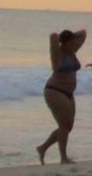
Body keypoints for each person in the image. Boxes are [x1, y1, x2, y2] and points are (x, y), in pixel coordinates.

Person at [37, 28, 86, 165]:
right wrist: (62, 38)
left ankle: (43, 148)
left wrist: (71, 36)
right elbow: (52, 35)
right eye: (70, 42)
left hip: (69, 93)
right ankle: (63, 158)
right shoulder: (56, 54)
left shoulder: (72, 51)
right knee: (64, 125)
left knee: (68, 127)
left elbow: (83, 33)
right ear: (63, 43)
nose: (74, 44)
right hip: (55, 91)